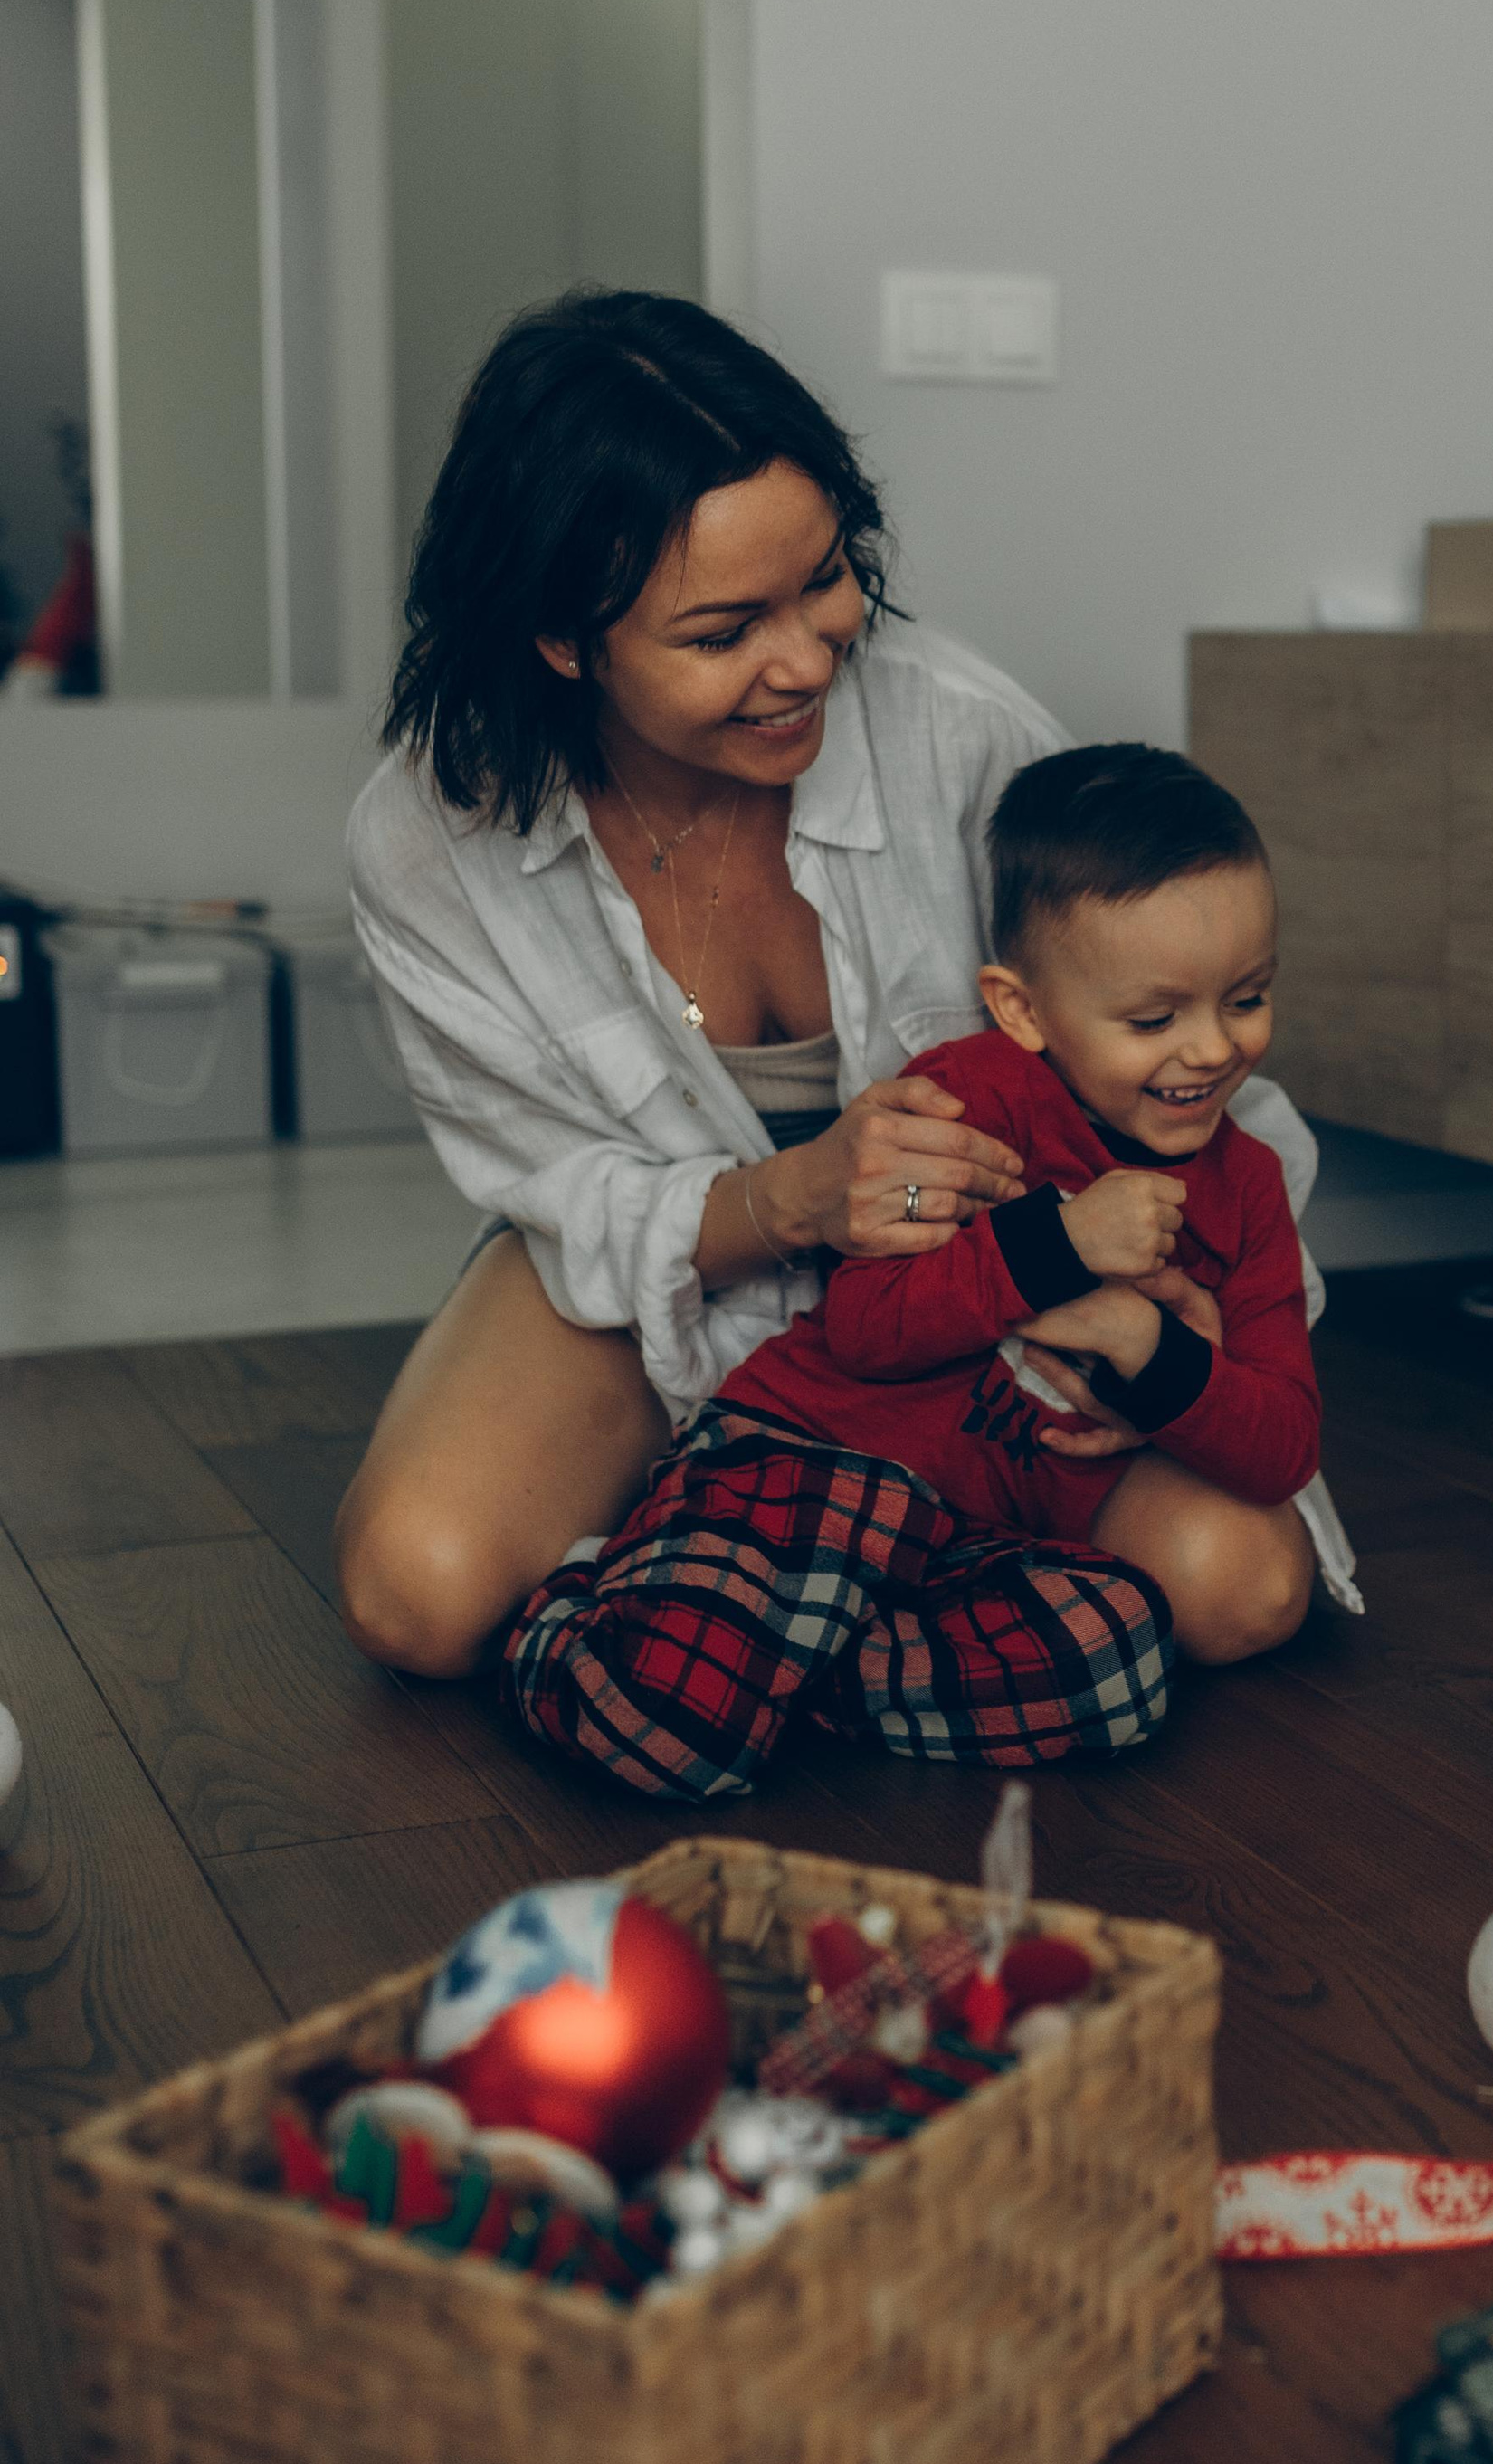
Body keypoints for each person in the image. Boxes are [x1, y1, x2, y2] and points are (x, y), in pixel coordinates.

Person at [336, 290, 1335, 1685]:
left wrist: (1202, 1325)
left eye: (822, 580)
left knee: (1239, 1588)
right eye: (722, 631)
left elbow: (1172, 1049)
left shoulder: (962, 740)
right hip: (663, 1269)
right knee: (419, 1591)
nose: (807, 659)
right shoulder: (431, 841)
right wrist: (792, 1201)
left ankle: (764, 1607)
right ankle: (775, 1572)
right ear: (564, 637)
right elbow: (565, 1190)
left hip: (993, 1288)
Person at [504, 747, 1322, 1790]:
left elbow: (1283, 1446)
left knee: (1118, 1662)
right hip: (817, 1460)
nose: (1210, 1050)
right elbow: (867, 1326)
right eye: (1155, 1020)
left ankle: (775, 1672)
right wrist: (1061, 1246)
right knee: (662, 1731)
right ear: (1022, 1010)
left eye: (1246, 998)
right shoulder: (966, 1102)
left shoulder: (1245, 1187)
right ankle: (605, 1605)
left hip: (975, 1545)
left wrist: (1141, 1339)